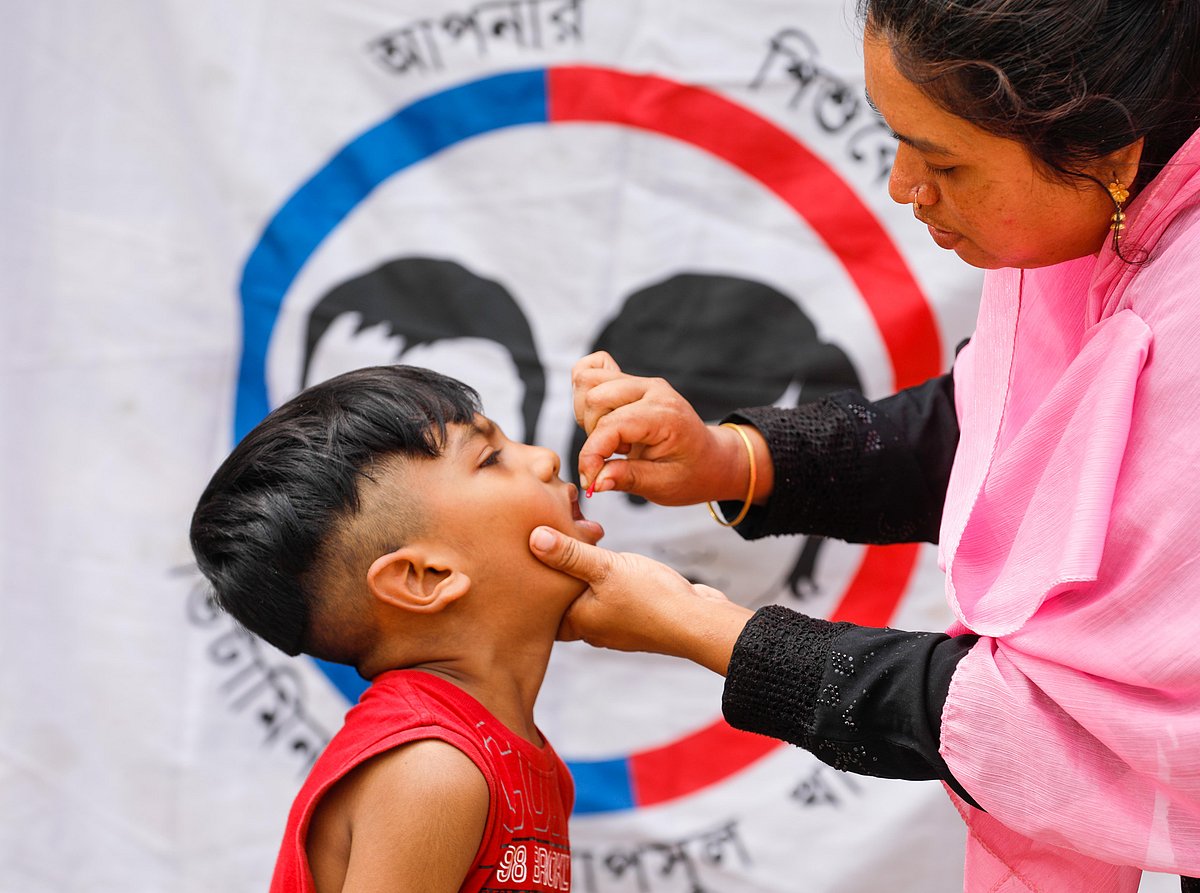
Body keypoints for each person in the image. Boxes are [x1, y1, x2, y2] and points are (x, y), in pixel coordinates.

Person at [527, 1, 1200, 890]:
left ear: (1108, 150)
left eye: (944, 159)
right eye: (896, 137)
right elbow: (996, 439)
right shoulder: (1102, 232)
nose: (902, 185)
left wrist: (702, 627)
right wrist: (736, 461)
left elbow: (1045, 725)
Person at [189, 364, 602, 892]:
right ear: (425, 577)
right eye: (491, 459)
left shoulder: (517, 758)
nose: (545, 459)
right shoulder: (433, 771)